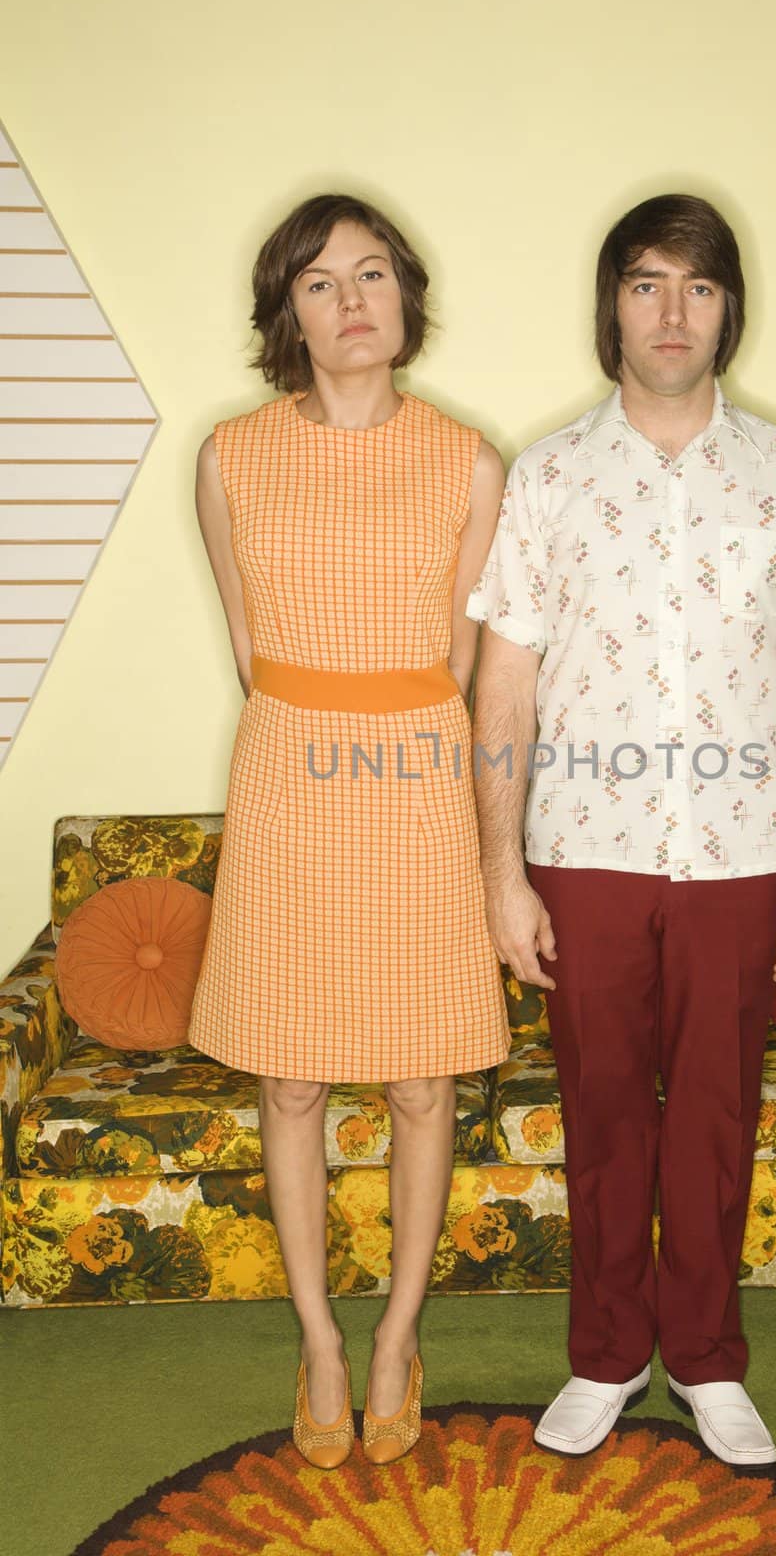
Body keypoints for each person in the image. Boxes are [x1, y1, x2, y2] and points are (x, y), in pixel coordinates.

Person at [465, 192, 776, 1466]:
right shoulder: (546, 476)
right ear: (612, 307)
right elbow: (506, 684)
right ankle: (605, 1353)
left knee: (711, 1112)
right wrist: (498, 873)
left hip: (739, 855)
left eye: (696, 287)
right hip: (580, 849)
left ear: (726, 309)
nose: (671, 312)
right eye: (646, 284)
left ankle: (702, 1357)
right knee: (600, 1107)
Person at [188, 192, 511, 1469]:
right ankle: (319, 1336)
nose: (351, 299)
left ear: (405, 297)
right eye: (320, 283)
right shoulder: (228, 458)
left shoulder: (468, 461)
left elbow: (463, 665)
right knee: (292, 1076)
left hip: (417, 774)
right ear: (290, 314)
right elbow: (248, 648)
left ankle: (397, 1339)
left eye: (371, 273)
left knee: (422, 1075)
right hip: (288, 775)